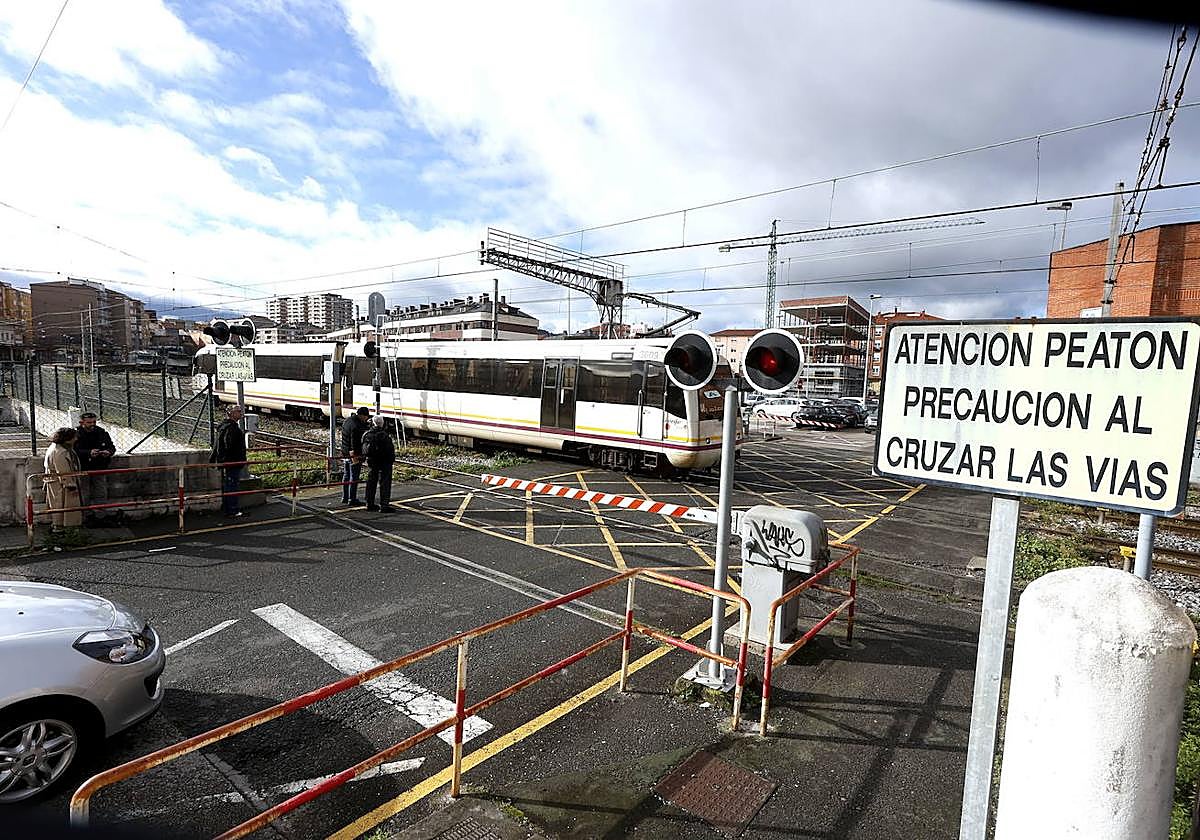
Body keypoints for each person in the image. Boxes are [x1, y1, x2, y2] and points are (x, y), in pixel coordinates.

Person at [210, 404, 247, 517]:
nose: (241, 413)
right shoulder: (231, 428)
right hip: (232, 462)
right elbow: (229, 444)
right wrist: (237, 457)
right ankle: (232, 510)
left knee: (228, 485)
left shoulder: (225, 426)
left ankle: (228, 508)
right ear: (231, 413)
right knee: (232, 486)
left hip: (227, 461)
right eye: (238, 411)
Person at [44, 428, 83, 532]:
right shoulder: (60, 452)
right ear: (67, 439)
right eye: (74, 437)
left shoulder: (59, 448)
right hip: (61, 484)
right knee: (61, 506)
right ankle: (59, 528)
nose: (76, 439)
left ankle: (59, 527)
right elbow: (62, 470)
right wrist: (70, 485)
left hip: (58, 482)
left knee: (59, 506)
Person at [361, 416, 396, 513]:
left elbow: (364, 449)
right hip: (384, 463)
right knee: (385, 484)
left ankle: (369, 503)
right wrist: (391, 460)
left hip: (372, 461)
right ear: (382, 424)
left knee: (371, 482)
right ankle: (384, 505)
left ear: (372, 423)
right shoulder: (385, 435)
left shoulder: (367, 434)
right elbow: (390, 450)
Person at [341, 406, 371, 505]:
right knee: (354, 477)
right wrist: (354, 454)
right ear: (362, 415)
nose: (366, 419)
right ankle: (352, 499)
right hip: (354, 454)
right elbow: (354, 442)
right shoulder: (357, 426)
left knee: (346, 475)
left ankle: (345, 497)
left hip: (345, 452)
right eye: (366, 417)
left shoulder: (347, 421)